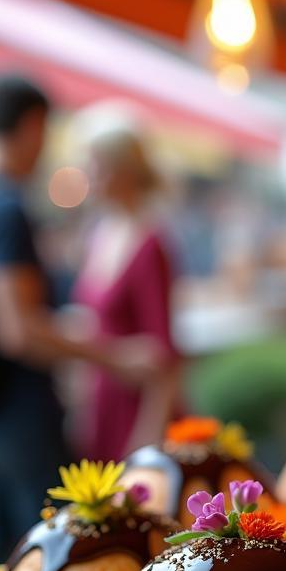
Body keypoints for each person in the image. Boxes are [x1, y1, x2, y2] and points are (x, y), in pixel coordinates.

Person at [0, 75, 161, 566]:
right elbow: (16, 328)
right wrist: (109, 354)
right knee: (50, 559)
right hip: (16, 418)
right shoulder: (3, 209)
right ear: (33, 126)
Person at [71, 108, 179, 460]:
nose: (89, 176)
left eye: (96, 165)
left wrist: (147, 442)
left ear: (124, 170)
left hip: (138, 411)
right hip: (103, 403)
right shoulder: (99, 235)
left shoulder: (150, 244)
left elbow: (164, 355)